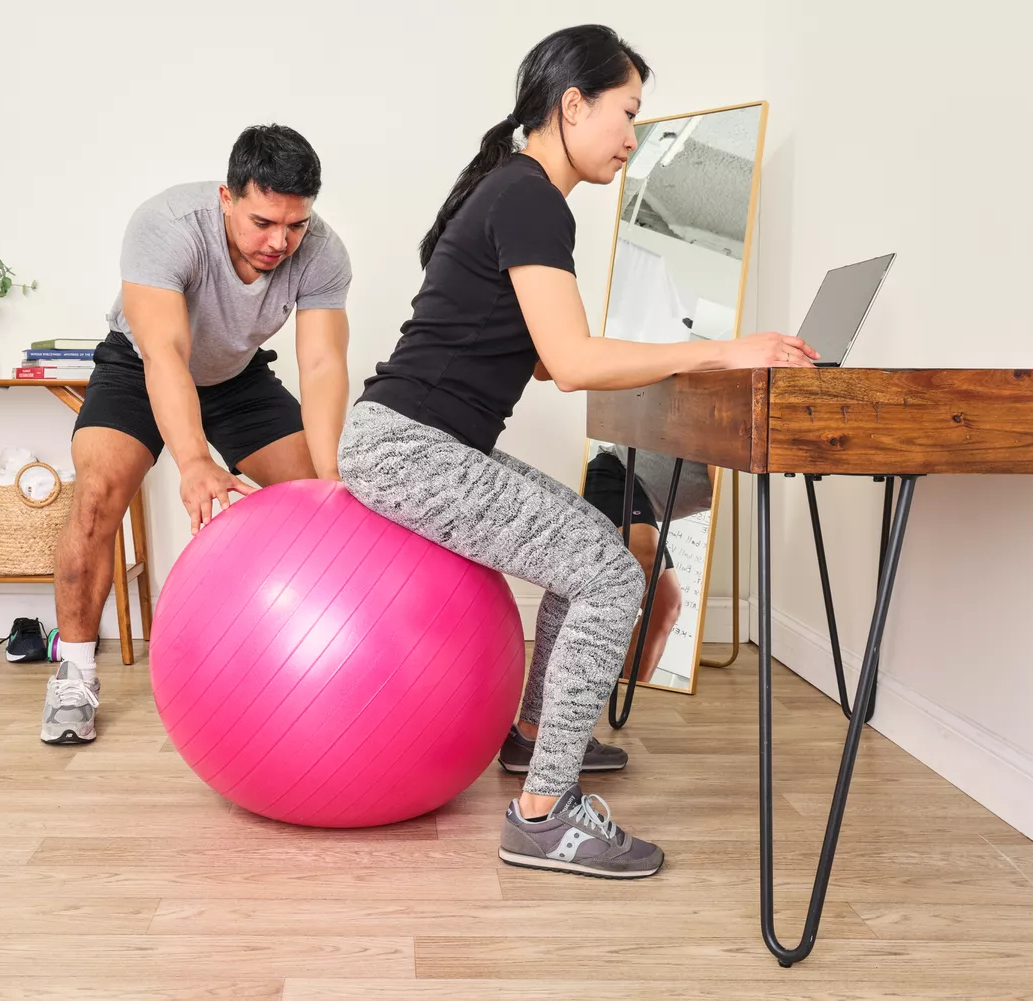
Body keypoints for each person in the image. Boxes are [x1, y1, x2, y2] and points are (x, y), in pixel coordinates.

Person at [337, 25, 817, 878]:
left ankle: (530, 740)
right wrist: (721, 348)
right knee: (610, 570)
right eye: (626, 112)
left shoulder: (513, 191)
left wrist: (676, 354)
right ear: (572, 104)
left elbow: (564, 362)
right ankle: (543, 815)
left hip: (410, 440)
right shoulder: (528, 198)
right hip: (409, 448)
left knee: (587, 548)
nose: (633, 136)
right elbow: (573, 361)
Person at [42, 125, 353, 745]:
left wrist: (330, 473)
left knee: (332, 511)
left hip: (237, 378)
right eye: (264, 222)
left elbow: (321, 366)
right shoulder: (167, 225)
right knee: (98, 493)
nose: (281, 241)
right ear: (226, 197)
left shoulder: (322, 251)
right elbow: (164, 354)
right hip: (140, 368)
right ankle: (73, 674)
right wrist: (192, 461)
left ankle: (308, 659)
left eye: (295, 225)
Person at [582, 446, 714, 684]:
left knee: (665, 604)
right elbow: (719, 481)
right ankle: (585, 676)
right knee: (646, 559)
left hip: (643, 504)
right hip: (617, 474)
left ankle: (625, 691)